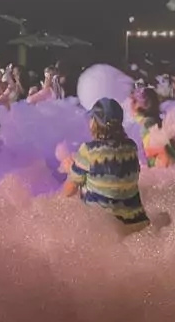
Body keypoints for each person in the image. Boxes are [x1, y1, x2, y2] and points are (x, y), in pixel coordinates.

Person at [62, 98, 149, 229]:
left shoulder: (88, 150)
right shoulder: (131, 147)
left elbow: (69, 191)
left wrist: (70, 171)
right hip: (136, 221)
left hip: (104, 228)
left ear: (95, 122)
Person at [129, 86, 175, 168]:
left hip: (165, 168)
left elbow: (158, 153)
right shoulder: (157, 122)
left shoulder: (147, 126)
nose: (130, 105)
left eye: (134, 101)